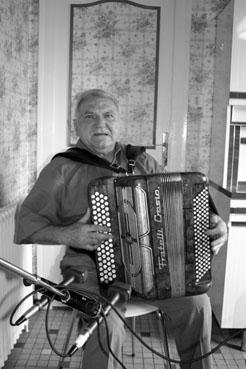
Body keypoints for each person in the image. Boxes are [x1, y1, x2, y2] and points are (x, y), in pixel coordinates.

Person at [14, 89, 228, 369]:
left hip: (153, 268)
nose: (100, 123)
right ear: (75, 125)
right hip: (89, 270)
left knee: (198, 305)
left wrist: (215, 224)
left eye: (108, 115)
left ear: (119, 122)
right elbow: (25, 224)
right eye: (89, 116)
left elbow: (180, 207)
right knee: (105, 326)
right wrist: (69, 234)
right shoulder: (61, 170)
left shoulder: (141, 161)